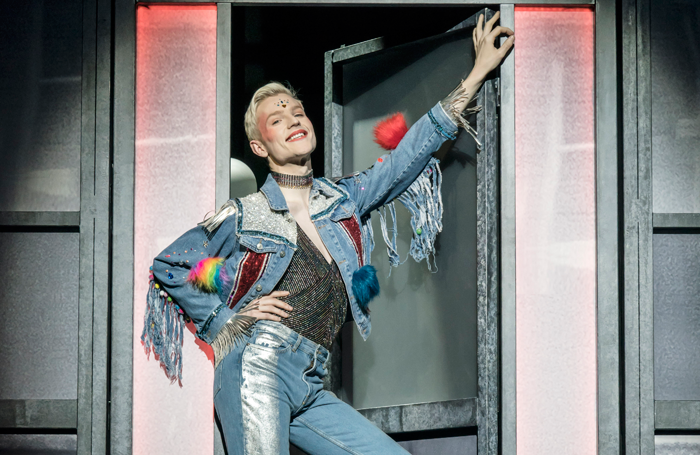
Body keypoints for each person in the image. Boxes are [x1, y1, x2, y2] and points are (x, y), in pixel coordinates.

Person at [142, 13, 513, 455]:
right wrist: (226, 322)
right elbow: (171, 264)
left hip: (312, 380)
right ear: (260, 147)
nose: (293, 118)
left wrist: (476, 73)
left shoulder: (343, 200)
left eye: (297, 111)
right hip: (259, 367)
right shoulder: (244, 215)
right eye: (276, 119)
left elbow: (405, 158)